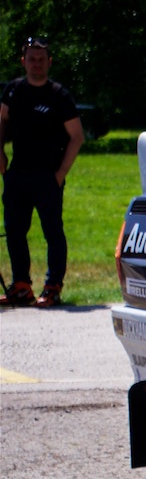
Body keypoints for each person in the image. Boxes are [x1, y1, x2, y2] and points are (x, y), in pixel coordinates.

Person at [0, 35, 83, 308]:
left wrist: (60, 173)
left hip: (48, 176)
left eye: (41, 60)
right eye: (32, 59)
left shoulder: (59, 96)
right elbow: (2, 121)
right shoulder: (13, 91)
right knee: (14, 230)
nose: (37, 64)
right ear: (23, 62)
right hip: (17, 174)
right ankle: (21, 285)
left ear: (49, 62)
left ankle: (53, 286)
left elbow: (77, 136)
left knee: (52, 232)